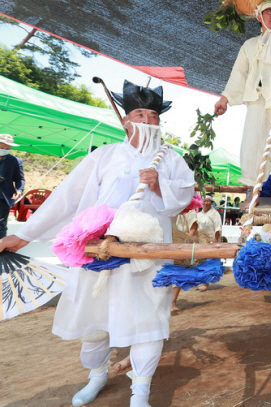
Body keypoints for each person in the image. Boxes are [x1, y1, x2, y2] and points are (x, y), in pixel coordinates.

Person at [0, 80, 194, 407]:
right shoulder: (104, 156)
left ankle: (141, 393)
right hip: (98, 250)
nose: (146, 121)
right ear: (125, 120)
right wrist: (25, 234)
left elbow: (183, 197)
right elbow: (66, 198)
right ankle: (97, 376)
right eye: (139, 114)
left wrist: (160, 185)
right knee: (96, 321)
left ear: (159, 123)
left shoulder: (171, 159)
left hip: (148, 256)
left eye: (152, 116)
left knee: (148, 320)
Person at [213, 0, 271, 210]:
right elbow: (239, 73)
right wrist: (225, 99)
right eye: (269, 11)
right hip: (256, 100)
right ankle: (250, 196)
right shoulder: (249, 45)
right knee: (251, 145)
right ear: (259, 17)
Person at [195, 195, 223, 292]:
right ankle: (201, 281)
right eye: (205, 201)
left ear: (211, 202)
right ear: (201, 202)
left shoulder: (215, 214)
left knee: (208, 262)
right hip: (200, 241)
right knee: (199, 261)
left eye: (208, 201)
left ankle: (205, 283)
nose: (206, 203)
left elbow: (218, 228)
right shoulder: (198, 215)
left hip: (211, 240)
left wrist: (215, 240)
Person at [0, 134, 24, 237]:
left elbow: (20, 179)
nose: (4, 150)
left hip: (4, 198)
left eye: (7, 148)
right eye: (2, 147)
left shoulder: (15, 161)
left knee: (1, 224)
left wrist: (19, 190)